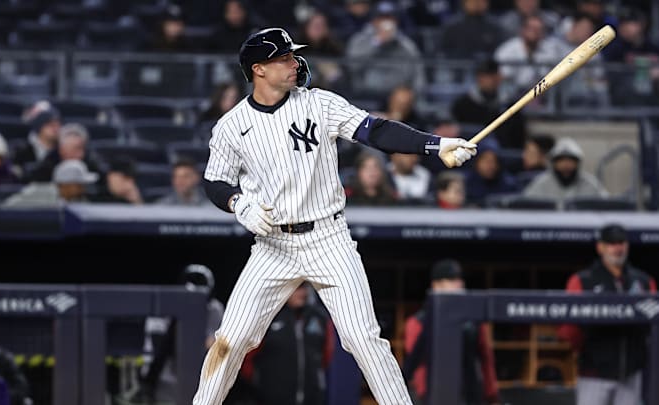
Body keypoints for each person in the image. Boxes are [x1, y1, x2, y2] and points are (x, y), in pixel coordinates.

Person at [194, 27, 476, 405]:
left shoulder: (319, 103)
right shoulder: (231, 126)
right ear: (258, 69)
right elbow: (214, 181)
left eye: (293, 56)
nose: (294, 63)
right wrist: (237, 204)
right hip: (272, 245)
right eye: (284, 58)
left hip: (328, 239)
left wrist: (433, 144)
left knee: (363, 338)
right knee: (231, 340)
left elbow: (375, 131)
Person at [557, 224, 657, 405]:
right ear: (600, 247)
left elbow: (655, 323)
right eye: (612, 243)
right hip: (594, 373)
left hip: (630, 373)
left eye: (621, 243)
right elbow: (569, 328)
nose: (618, 248)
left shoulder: (643, 281)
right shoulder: (583, 280)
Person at [404, 259, 500, 405]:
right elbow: (416, 364)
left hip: (469, 394)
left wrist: (491, 392)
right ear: (436, 285)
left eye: (459, 279)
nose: (458, 284)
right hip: (434, 394)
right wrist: (427, 396)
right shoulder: (418, 322)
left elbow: (486, 358)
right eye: (451, 279)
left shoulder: (474, 321)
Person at [136, 264, 225, 403]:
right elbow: (156, 344)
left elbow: (214, 343)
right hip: (165, 374)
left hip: (200, 373)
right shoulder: (166, 307)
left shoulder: (214, 308)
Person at [239, 282, 334, 405]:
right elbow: (246, 356)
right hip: (271, 398)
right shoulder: (267, 316)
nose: (302, 293)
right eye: (297, 288)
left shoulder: (319, 317)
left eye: (304, 288)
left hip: (312, 398)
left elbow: (326, 356)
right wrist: (260, 381)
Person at [345, 1, 425, 98]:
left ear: (396, 21)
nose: (386, 22)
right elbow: (352, 67)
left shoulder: (405, 43)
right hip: (365, 91)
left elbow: (417, 69)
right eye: (381, 18)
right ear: (373, 21)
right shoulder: (360, 39)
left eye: (389, 18)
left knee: (403, 96)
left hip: (396, 94)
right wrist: (377, 42)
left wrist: (417, 94)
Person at [451, 58, 527, 149]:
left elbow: (518, 139)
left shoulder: (511, 106)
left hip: (502, 156)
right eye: (483, 76)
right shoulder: (462, 105)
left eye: (491, 75)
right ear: (478, 78)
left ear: (499, 77)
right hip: (470, 155)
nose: (488, 80)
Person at [522, 137, 608, 203]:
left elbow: (606, 206)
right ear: (554, 163)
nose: (566, 165)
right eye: (561, 160)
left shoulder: (591, 184)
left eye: (570, 160)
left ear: (577, 163)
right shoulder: (540, 183)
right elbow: (526, 206)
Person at [24, 123, 102, 184]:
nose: (80, 154)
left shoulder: (91, 161)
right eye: (75, 149)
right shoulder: (48, 164)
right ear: (62, 150)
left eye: (82, 149)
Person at [3, 159, 98, 208]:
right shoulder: (37, 192)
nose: (83, 188)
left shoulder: (80, 200)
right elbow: (7, 208)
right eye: (79, 185)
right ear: (64, 185)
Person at [13, 101, 61, 171]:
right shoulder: (21, 150)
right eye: (51, 125)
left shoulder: (62, 150)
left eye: (58, 125)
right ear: (39, 127)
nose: (56, 129)